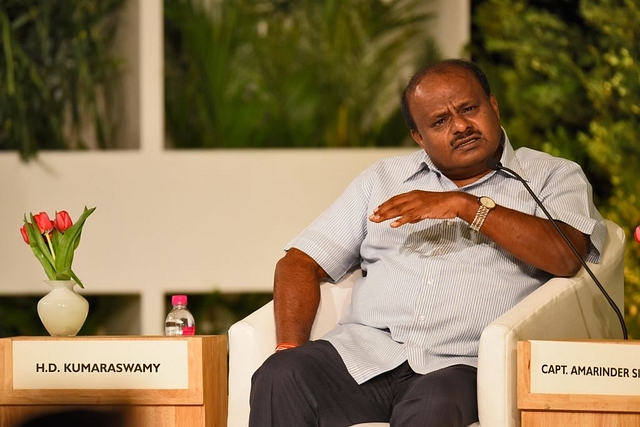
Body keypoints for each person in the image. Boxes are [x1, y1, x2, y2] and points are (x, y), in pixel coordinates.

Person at [249, 58, 607, 426]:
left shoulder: (552, 175)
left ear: (493, 106)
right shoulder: (383, 179)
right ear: (419, 137)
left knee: (432, 407)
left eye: (469, 109)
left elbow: (565, 255)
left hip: (463, 365)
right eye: (440, 121)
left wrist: (465, 206)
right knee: (282, 374)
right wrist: (289, 345)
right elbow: (299, 262)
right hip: (367, 353)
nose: (461, 126)